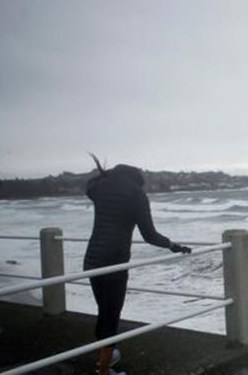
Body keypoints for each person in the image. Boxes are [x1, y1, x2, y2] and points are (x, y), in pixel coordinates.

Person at [84, 157, 191, 375]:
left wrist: (106, 175)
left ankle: (107, 357)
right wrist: (173, 245)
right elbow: (149, 235)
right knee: (111, 315)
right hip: (114, 262)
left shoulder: (100, 188)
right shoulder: (136, 194)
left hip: (92, 260)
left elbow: (89, 186)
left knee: (104, 311)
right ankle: (103, 370)